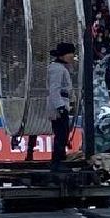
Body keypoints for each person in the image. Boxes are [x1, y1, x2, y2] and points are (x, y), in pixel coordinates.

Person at [47, 41, 76, 170]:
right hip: (58, 106)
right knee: (61, 134)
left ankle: (60, 158)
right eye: (70, 54)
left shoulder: (61, 68)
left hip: (62, 104)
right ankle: (57, 161)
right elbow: (55, 89)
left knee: (63, 133)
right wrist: (60, 107)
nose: (72, 56)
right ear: (63, 55)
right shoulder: (57, 69)